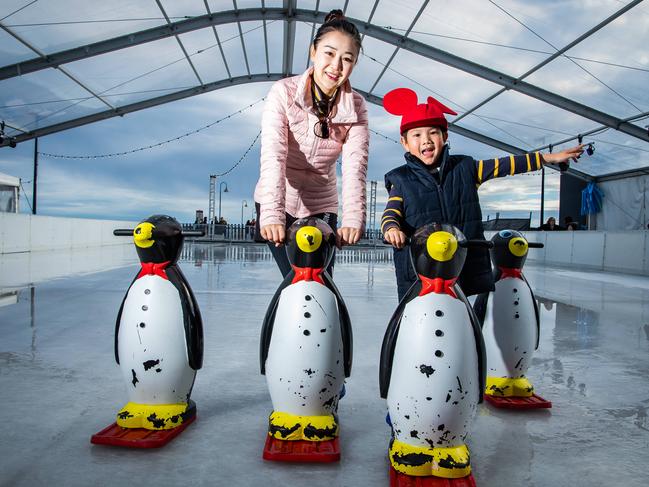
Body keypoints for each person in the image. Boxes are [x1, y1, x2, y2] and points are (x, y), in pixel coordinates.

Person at [380, 88, 584, 301]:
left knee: (461, 315)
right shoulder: (400, 180)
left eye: (433, 132)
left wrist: (548, 158)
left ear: (445, 136)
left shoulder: (466, 168)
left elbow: (508, 164)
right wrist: (391, 228)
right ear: (404, 142)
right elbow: (390, 213)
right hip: (420, 268)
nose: (426, 140)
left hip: (460, 265)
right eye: (417, 135)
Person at [253, 9, 368, 277]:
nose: (336, 66)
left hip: (321, 202)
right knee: (294, 279)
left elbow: (355, 167)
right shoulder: (283, 92)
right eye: (329, 53)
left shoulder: (357, 107)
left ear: (354, 65)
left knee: (321, 279)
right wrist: (272, 214)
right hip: (278, 199)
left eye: (347, 59)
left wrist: (352, 219)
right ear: (313, 52)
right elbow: (274, 155)